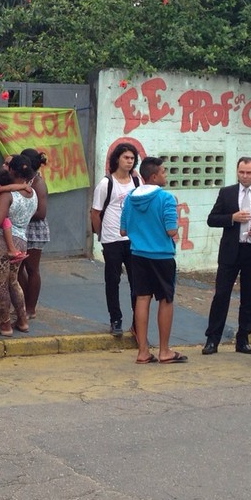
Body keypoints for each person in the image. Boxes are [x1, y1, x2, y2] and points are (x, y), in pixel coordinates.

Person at [203, 157, 251, 355]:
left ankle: (243, 338)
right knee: (221, 295)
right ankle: (212, 339)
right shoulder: (227, 193)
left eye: (249, 173)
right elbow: (211, 219)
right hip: (231, 251)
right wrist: (231, 218)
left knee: (250, 297)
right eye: (241, 172)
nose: (244, 176)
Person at [120, 156, 185, 364]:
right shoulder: (166, 198)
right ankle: (165, 350)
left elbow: (123, 229)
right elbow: (171, 229)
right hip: (162, 256)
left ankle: (143, 351)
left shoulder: (131, 197)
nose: (166, 175)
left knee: (142, 299)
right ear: (154, 176)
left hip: (138, 254)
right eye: (164, 172)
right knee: (166, 300)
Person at [0, 158, 37, 337]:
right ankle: (23, 321)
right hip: (21, 241)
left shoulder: (6, 194)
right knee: (13, 282)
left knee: (0, 285)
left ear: (13, 172)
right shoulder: (31, 193)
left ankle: (5, 326)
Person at [91, 143, 141, 337]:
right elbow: (95, 213)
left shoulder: (137, 182)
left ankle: (138, 321)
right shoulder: (106, 183)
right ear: (117, 159)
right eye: (126, 157)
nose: (129, 161)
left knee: (137, 282)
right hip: (111, 238)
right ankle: (116, 319)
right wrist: (101, 236)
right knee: (112, 281)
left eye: (132, 158)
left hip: (133, 238)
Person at [18, 148, 50, 318]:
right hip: (24, 228)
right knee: (18, 268)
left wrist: (19, 214)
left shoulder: (37, 183)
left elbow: (41, 213)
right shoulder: (27, 180)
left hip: (35, 230)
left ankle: (31, 308)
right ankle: (24, 302)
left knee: (32, 268)